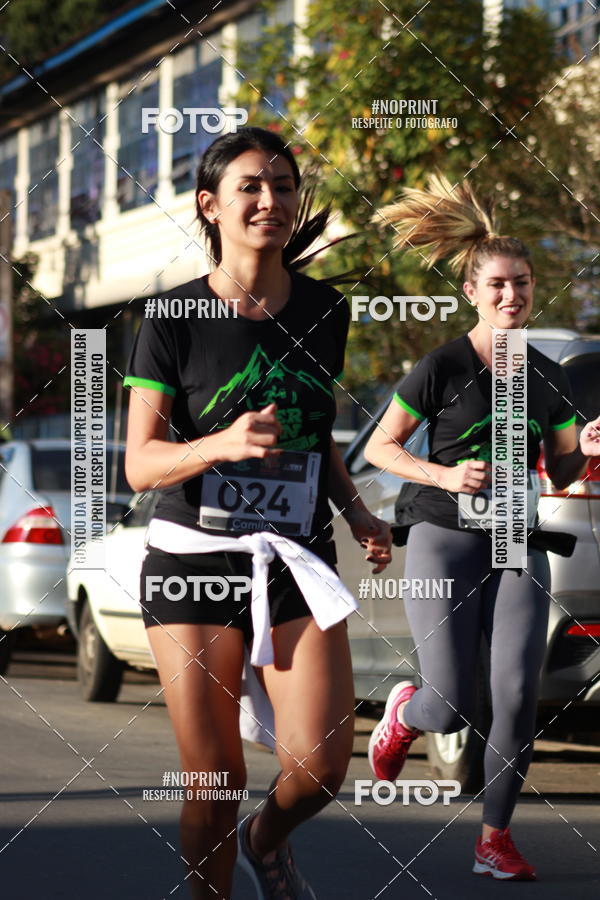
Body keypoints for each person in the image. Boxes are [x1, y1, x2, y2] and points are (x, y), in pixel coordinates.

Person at [123, 126, 392, 900]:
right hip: (193, 558)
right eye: (250, 186)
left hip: (295, 553)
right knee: (212, 780)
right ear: (210, 205)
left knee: (320, 768)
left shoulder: (324, 310)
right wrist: (221, 444)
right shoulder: (170, 318)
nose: (270, 201)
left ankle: (265, 838)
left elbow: (315, 433)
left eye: (282, 186)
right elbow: (140, 462)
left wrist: (356, 508)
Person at [365, 175, 600, 881]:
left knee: (516, 696)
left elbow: (557, 473)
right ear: (472, 290)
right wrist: (442, 475)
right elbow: (380, 447)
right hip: (445, 537)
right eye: (497, 284)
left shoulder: (548, 377)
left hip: (517, 541)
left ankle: (493, 839)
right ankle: (407, 711)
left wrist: (585, 451)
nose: (511, 296)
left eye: (522, 284)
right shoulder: (442, 366)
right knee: (451, 706)